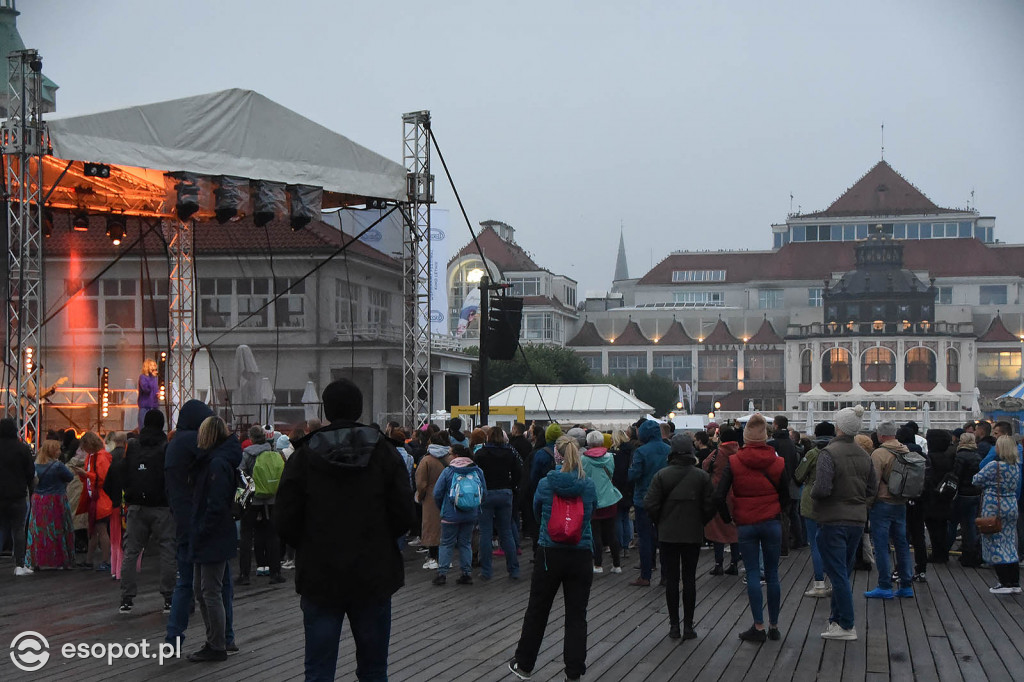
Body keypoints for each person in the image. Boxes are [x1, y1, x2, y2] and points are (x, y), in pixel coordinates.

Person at [276, 378, 415, 681]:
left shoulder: (303, 456)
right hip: (374, 573)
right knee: (374, 669)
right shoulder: (384, 452)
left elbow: (285, 517)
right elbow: (405, 513)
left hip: (320, 574)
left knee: (319, 668)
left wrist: (310, 543)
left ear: (325, 409)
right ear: (359, 408)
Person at [508, 436, 597, 682]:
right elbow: (592, 511)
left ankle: (524, 664)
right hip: (581, 552)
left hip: (550, 552)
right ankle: (574, 671)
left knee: (538, 609)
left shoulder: (547, 484)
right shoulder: (587, 484)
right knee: (577, 614)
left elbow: (536, 512)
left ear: (556, 456)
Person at [165, 399, 236, 654]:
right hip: (205, 526)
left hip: (188, 524)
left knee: (191, 585)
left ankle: (174, 639)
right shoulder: (206, 453)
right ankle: (224, 638)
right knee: (217, 586)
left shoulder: (175, 445)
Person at [713, 414, 789, 643]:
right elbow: (786, 496)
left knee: (753, 573)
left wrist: (729, 519)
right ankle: (774, 625)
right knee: (773, 574)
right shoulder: (778, 462)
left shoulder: (735, 462)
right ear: (766, 436)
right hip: (771, 521)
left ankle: (758, 625)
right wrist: (777, 512)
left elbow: (719, 495)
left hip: (745, 523)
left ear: (745, 437)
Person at [813, 405, 877, 641]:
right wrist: (861, 504)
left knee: (837, 572)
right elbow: (872, 488)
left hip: (833, 518)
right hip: (857, 519)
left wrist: (814, 498)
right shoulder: (865, 455)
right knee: (844, 570)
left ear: (838, 427)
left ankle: (847, 624)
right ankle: (836, 621)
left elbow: (821, 488)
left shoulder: (828, 454)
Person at [644, 433, 714, 640]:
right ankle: (689, 626)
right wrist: (700, 521)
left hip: (668, 534)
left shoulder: (662, 475)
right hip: (692, 533)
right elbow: (711, 505)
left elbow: (650, 504)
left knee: (672, 580)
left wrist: (661, 521)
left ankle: (674, 625)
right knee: (690, 579)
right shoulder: (701, 476)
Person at [186, 416, 242, 663]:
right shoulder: (219, 461)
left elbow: (216, 503)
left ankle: (216, 644)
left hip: (212, 533)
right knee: (204, 590)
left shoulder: (216, 463)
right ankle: (215, 640)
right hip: (212, 532)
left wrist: (202, 528)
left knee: (209, 591)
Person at [118, 409, 176, 614]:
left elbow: (122, 472)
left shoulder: (133, 446)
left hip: (136, 506)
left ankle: (126, 598)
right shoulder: (165, 448)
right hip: (161, 506)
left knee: (131, 551)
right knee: (167, 549)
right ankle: (169, 597)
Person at [865, 421, 915, 600]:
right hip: (901, 501)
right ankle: (906, 584)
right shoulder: (906, 450)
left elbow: (873, 481)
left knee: (881, 544)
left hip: (883, 502)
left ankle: (884, 585)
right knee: (901, 543)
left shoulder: (879, 453)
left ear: (881, 435)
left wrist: (868, 503)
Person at [432, 444, 486, 585]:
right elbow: (483, 493)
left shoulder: (448, 471)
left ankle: (442, 574)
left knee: (446, 543)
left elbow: (437, 493)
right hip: (470, 514)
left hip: (450, 514)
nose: (448, 456)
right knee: (465, 543)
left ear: (455, 455)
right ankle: (466, 574)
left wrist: (442, 507)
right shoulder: (477, 470)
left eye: (450, 453)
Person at [974, 435, 1022, 593]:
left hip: (995, 506)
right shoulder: (1016, 465)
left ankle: (1004, 582)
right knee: (1009, 542)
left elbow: (976, 480)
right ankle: (1015, 582)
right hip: (1011, 505)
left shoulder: (994, 465)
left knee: (995, 543)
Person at [238, 424, 284, 584]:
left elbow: (242, 476)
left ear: (251, 438)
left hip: (254, 499)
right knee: (272, 535)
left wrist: (242, 498)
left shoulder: (247, 455)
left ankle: (244, 575)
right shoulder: (273, 452)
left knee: (246, 534)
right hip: (271, 498)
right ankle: (275, 572)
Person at [475, 427, 522, 580]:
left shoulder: (480, 454)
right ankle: (513, 569)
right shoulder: (509, 453)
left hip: (486, 493)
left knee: (485, 533)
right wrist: (511, 486)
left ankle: (487, 571)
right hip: (505, 492)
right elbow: (518, 473)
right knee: (506, 532)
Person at [627, 419, 670, 587]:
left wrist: (627, 474)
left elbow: (634, 475)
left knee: (645, 538)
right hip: (664, 499)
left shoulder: (641, 452)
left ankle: (645, 575)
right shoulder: (668, 449)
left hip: (643, 499)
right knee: (664, 538)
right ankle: (666, 575)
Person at [795, 421, 835, 598]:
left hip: (812, 499)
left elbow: (798, 475)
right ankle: (835, 582)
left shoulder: (812, 453)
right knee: (833, 544)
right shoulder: (837, 452)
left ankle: (819, 583)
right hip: (834, 501)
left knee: (816, 544)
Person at [26, 440, 75, 570]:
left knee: (38, 531)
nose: (60, 452)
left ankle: (36, 560)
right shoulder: (57, 466)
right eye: (58, 449)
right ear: (53, 451)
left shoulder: (35, 464)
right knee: (57, 530)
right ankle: (60, 560)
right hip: (55, 499)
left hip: (38, 499)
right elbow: (70, 477)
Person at [582, 429, 623, 574]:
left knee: (596, 533)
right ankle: (617, 564)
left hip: (593, 500)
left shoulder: (584, 459)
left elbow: (583, 477)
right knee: (611, 532)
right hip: (610, 498)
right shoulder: (610, 457)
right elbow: (611, 474)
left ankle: (598, 564)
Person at [702, 425, 741, 576]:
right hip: (737, 493)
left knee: (717, 529)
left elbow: (705, 466)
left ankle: (718, 564)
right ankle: (734, 563)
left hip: (718, 493)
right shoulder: (740, 452)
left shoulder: (717, 453)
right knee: (735, 530)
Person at [73, 431, 113, 572]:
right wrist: (84, 476)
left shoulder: (100, 457)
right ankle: (91, 560)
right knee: (93, 531)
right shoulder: (92, 457)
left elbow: (103, 479)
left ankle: (105, 561)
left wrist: (86, 475)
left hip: (100, 499)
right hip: (94, 498)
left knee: (100, 530)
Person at [0, 418, 35, 576]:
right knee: (18, 529)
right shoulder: (22, 449)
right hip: (18, 495)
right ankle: (20, 565)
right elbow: (30, 473)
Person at [415, 438, 452, 570]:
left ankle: (433, 557)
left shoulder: (426, 460)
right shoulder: (450, 458)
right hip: (448, 496)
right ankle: (446, 557)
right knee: (446, 526)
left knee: (431, 526)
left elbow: (420, 482)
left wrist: (420, 495)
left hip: (431, 497)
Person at [948, 432, 983, 567]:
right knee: (970, 525)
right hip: (974, 493)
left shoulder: (960, 456)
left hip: (962, 493)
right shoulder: (977, 456)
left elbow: (956, 475)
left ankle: (945, 548)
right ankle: (971, 553)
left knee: (953, 522)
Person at [770, 415, 804, 552]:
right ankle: (798, 540)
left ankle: (783, 546)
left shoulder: (774, 443)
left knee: (782, 515)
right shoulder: (791, 443)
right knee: (793, 514)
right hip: (791, 481)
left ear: (776, 425)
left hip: (779, 482)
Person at [923, 428, 955, 564]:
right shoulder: (948, 457)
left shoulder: (930, 458)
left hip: (932, 497)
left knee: (933, 527)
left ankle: (937, 554)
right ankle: (943, 553)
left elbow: (927, 477)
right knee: (942, 526)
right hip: (945, 496)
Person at [610, 428, 635, 558]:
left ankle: (619, 545)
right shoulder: (630, 452)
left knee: (618, 518)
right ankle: (627, 545)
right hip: (629, 487)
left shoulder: (614, 454)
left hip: (617, 488)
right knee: (626, 517)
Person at [137, 358, 160, 430]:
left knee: (155, 428)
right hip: (145, 407)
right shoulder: (143, 377)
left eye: (154, 365)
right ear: (147, 367)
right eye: (151, 365)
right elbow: (146, 389)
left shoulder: (155, 378)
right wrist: (152, 378)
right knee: (144, 428)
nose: (153, 367)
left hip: (154, 406)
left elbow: (156, 390)